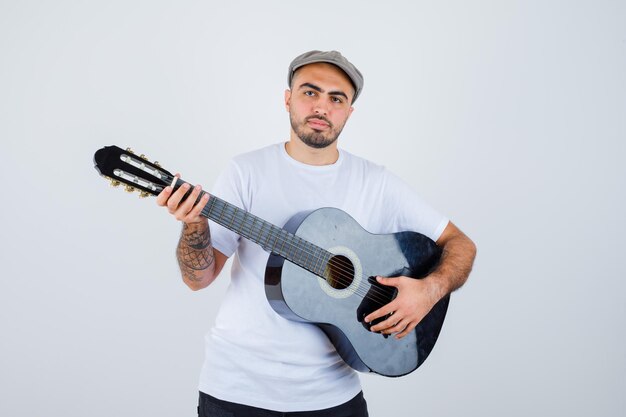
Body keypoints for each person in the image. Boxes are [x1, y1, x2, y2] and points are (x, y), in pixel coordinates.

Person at [156, 50, 476, 417]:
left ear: (349, 111)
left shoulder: (376, 182)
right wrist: (194, 223)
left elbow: (460, 244)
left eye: (336, 98)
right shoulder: (245, 171)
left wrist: (428, 291)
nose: (322, 107)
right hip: (235, 391)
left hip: (333, 397)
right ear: (288, 97)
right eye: (310, 92)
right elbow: (198, 279)